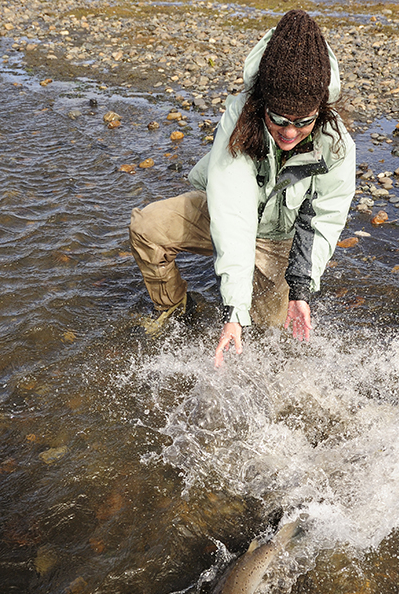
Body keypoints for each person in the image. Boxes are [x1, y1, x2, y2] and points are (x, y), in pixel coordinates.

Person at [129, 9, 356, 367]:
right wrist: (234, 309)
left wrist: (300, 290)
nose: (290, 132)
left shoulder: (336, 143)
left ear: (321, 110)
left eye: (303, 121)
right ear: (263, 103)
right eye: (279, 119)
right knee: (147, 228)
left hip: (281, 241)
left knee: (267, 341)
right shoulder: (239, 118)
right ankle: (175, 311)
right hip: (227, 213)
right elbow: (233, 213)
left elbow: (322, 221)